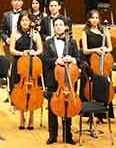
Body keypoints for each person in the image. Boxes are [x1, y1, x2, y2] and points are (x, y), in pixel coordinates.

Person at [43, 17, 80, 145]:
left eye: (60, 25)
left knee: (67, 108)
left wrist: (73, 59)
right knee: (52, 109)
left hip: (69, 80)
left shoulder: (72, 42)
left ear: (65, 27)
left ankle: (67, 135)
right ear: (53, 27)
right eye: (56, 25)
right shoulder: (48, 42)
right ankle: (52, 135)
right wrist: (55, 61)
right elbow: (44, 58)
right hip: (53, 80)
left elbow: (79, 59)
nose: (58, 27)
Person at [9, 11, 43, 130]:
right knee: (21, 92)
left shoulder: (35, 34)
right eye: (23, 20)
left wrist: (34, 52)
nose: (25, 22)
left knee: (33, 91)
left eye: (27, 20)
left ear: (31, 22)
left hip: (32, 66)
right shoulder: (15, 33)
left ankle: (32, 117)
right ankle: (22, 117)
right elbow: (11, 50)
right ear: (20, 22)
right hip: (20, 66)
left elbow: (40, 49)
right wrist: (21, 53)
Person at [79, 10, 113, 120]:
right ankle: (90, 113)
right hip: (91, 64)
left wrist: (105, 49)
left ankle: (102, 113)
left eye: (97, 18)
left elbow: (110, 48)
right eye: (93, 18)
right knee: (91, 87)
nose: (95, 20)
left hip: (103, 63)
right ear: (89, 19)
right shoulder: (85, 32)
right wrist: (96, 50)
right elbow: (85, 50)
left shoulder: (104, 31)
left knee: (103, 85)